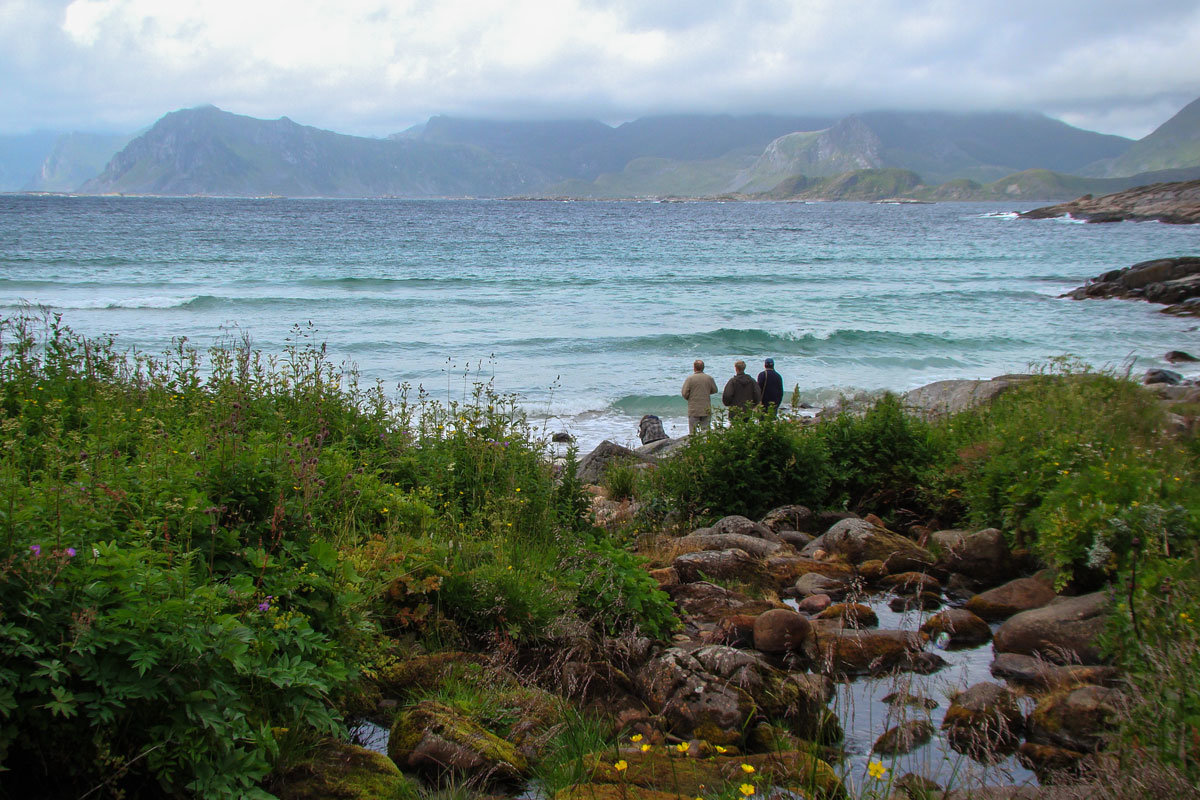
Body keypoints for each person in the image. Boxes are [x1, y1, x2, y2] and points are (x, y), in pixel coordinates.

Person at [681, 359, 719, 434]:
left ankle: (694, 445)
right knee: (706, 432)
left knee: (693, 432)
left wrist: (690, 398)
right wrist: (706, 392)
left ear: (694, 368)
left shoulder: (690, 379)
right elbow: (715, 390)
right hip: (706, 408)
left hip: (694, 409)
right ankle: (706, 445)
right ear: (703, 368)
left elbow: (684, 393)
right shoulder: (709, 378)